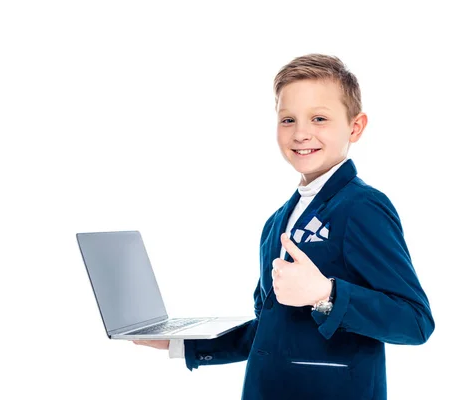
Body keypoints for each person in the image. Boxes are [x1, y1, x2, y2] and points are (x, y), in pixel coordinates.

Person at [134, 53, 435, 400]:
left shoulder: (362, 207)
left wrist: (327, 294)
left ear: (355, 126)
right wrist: (178, 344)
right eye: (288, 119)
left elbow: (414, 321)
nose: (301, 133)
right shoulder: (276, 222)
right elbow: (269, 331)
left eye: (319, 118)